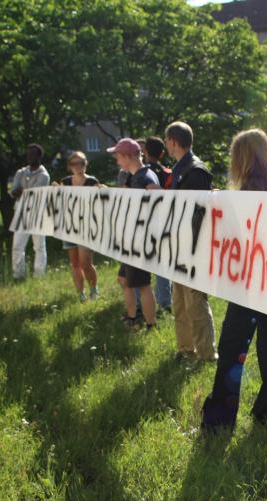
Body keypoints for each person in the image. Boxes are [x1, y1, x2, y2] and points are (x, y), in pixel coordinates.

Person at [201, 129, 267, 432]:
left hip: (249, 284)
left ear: (242, 158)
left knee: (231, 348)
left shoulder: (247, 194)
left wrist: (217, 206)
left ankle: (219, 419)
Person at [165, 121, 218, 361]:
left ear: (174, 141)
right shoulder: (179, 168)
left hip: (192, 248)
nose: (166, 145)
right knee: (179, 302)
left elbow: (197, 215)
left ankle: (206, 354)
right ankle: (186, 350)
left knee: (195, 303)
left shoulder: (196, 171)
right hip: (178, 246)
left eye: (167, 141)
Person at [107, 138, 160, 329]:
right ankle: (132, 317)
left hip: (139, 240)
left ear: (128, 156)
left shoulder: (146, 178)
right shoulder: (134, 176)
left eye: (118, 156)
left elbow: (157, 205)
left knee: (143, 285)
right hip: (131, 239)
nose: (116, 161)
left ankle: (150, 324)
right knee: (124, 280)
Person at [54, 151, 102, 302]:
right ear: (70, 166)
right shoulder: (66, 182)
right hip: (69, 227)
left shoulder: (92, 181)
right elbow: (58, 203)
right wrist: (54, 192)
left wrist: (101, 191)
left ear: (85, 164)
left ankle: (94, 289)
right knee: (75, 263)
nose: (78, 166)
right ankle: (80, 294)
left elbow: (99, 204)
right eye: (74, 163)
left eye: (81, 163)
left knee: (85, 263)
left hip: (87, 228)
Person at [10, 143, 50, 280]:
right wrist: (22, 192)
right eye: (28, 154)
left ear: (39, 156)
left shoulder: (44, 175)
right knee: (17, 246)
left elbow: (34, 195)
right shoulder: (21, 172)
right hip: (21, 213)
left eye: (32, 154)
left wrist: (22, 192)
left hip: (38, 214)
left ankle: (39, 276)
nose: (29, 157)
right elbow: (13, 191)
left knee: (39, 246)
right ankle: (18, 275)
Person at [142, 136, 173, 313]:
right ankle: (165, 300)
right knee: (163, 263)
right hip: (165, 222)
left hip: (146, 224)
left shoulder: (142, 173)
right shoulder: (168, 173)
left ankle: (160, 302)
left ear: (145, 151)